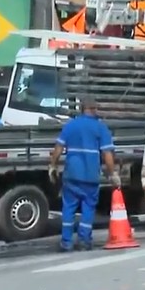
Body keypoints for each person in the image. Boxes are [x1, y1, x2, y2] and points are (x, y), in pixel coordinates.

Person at [48, 98, 122, 251]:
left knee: (68, 208)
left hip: (72, 175)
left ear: (81, 109)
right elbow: (107, 154)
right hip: (90, 176)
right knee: (88, 208)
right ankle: (84, 240)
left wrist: (52, 165)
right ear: (95, 109)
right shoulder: (101, 128)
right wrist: (112, 173)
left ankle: (66, 241)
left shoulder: (70, 126)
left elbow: (58, 148)